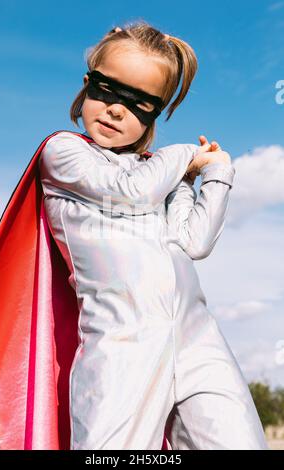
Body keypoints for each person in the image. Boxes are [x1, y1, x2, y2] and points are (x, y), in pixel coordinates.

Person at [38, 21, 268, 450]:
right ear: (87, 86)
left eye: (138, 102)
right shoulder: (64, 152)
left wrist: (215, 172)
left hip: (198, 340)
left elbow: (194, 242)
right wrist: (184, 156)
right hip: (123, 345)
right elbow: (129, 192)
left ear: (154, 113)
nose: (115, 109)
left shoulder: (161, 175)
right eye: (107, 90)